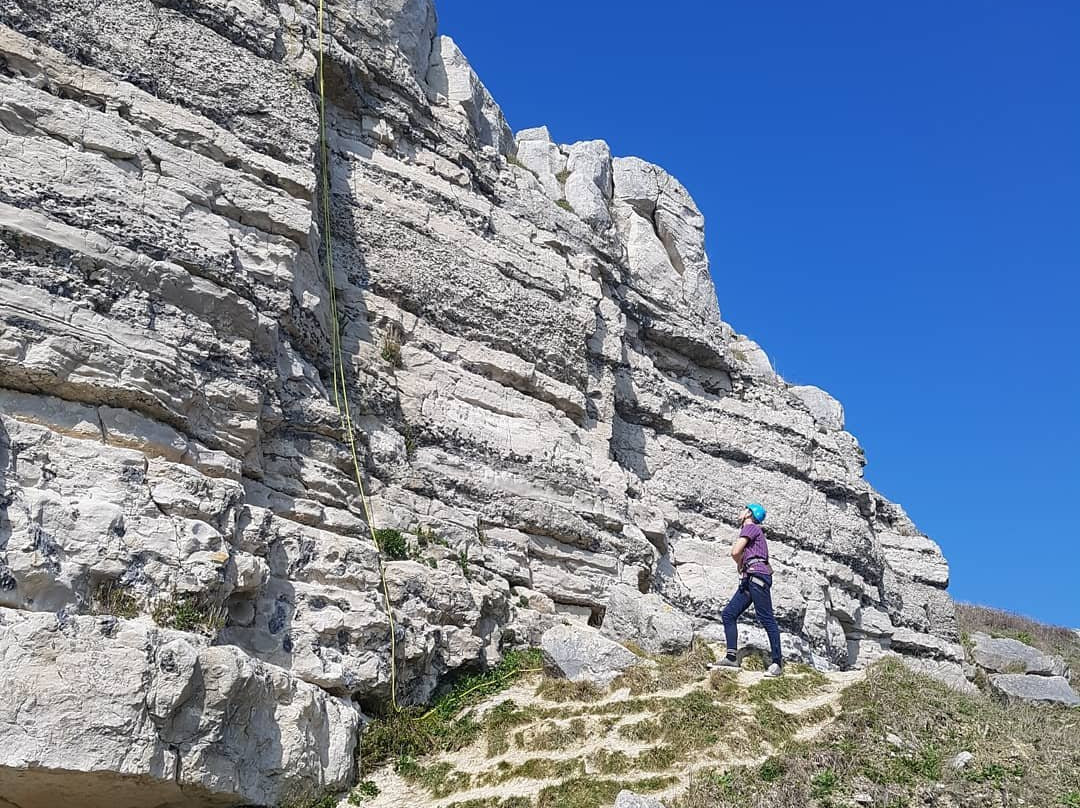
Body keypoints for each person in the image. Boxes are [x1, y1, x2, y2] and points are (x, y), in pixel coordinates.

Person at [710, 503, 784, 677]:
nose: (740, 512)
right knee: (729, 614)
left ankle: (777, 663)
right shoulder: (756, 532)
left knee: (766, 618)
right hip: (753, 577)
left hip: (756, 576)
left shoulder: (750, 527)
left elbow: (735, 551)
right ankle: (731, 658)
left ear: (749, 514)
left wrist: (740, 563)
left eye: (744, 510)